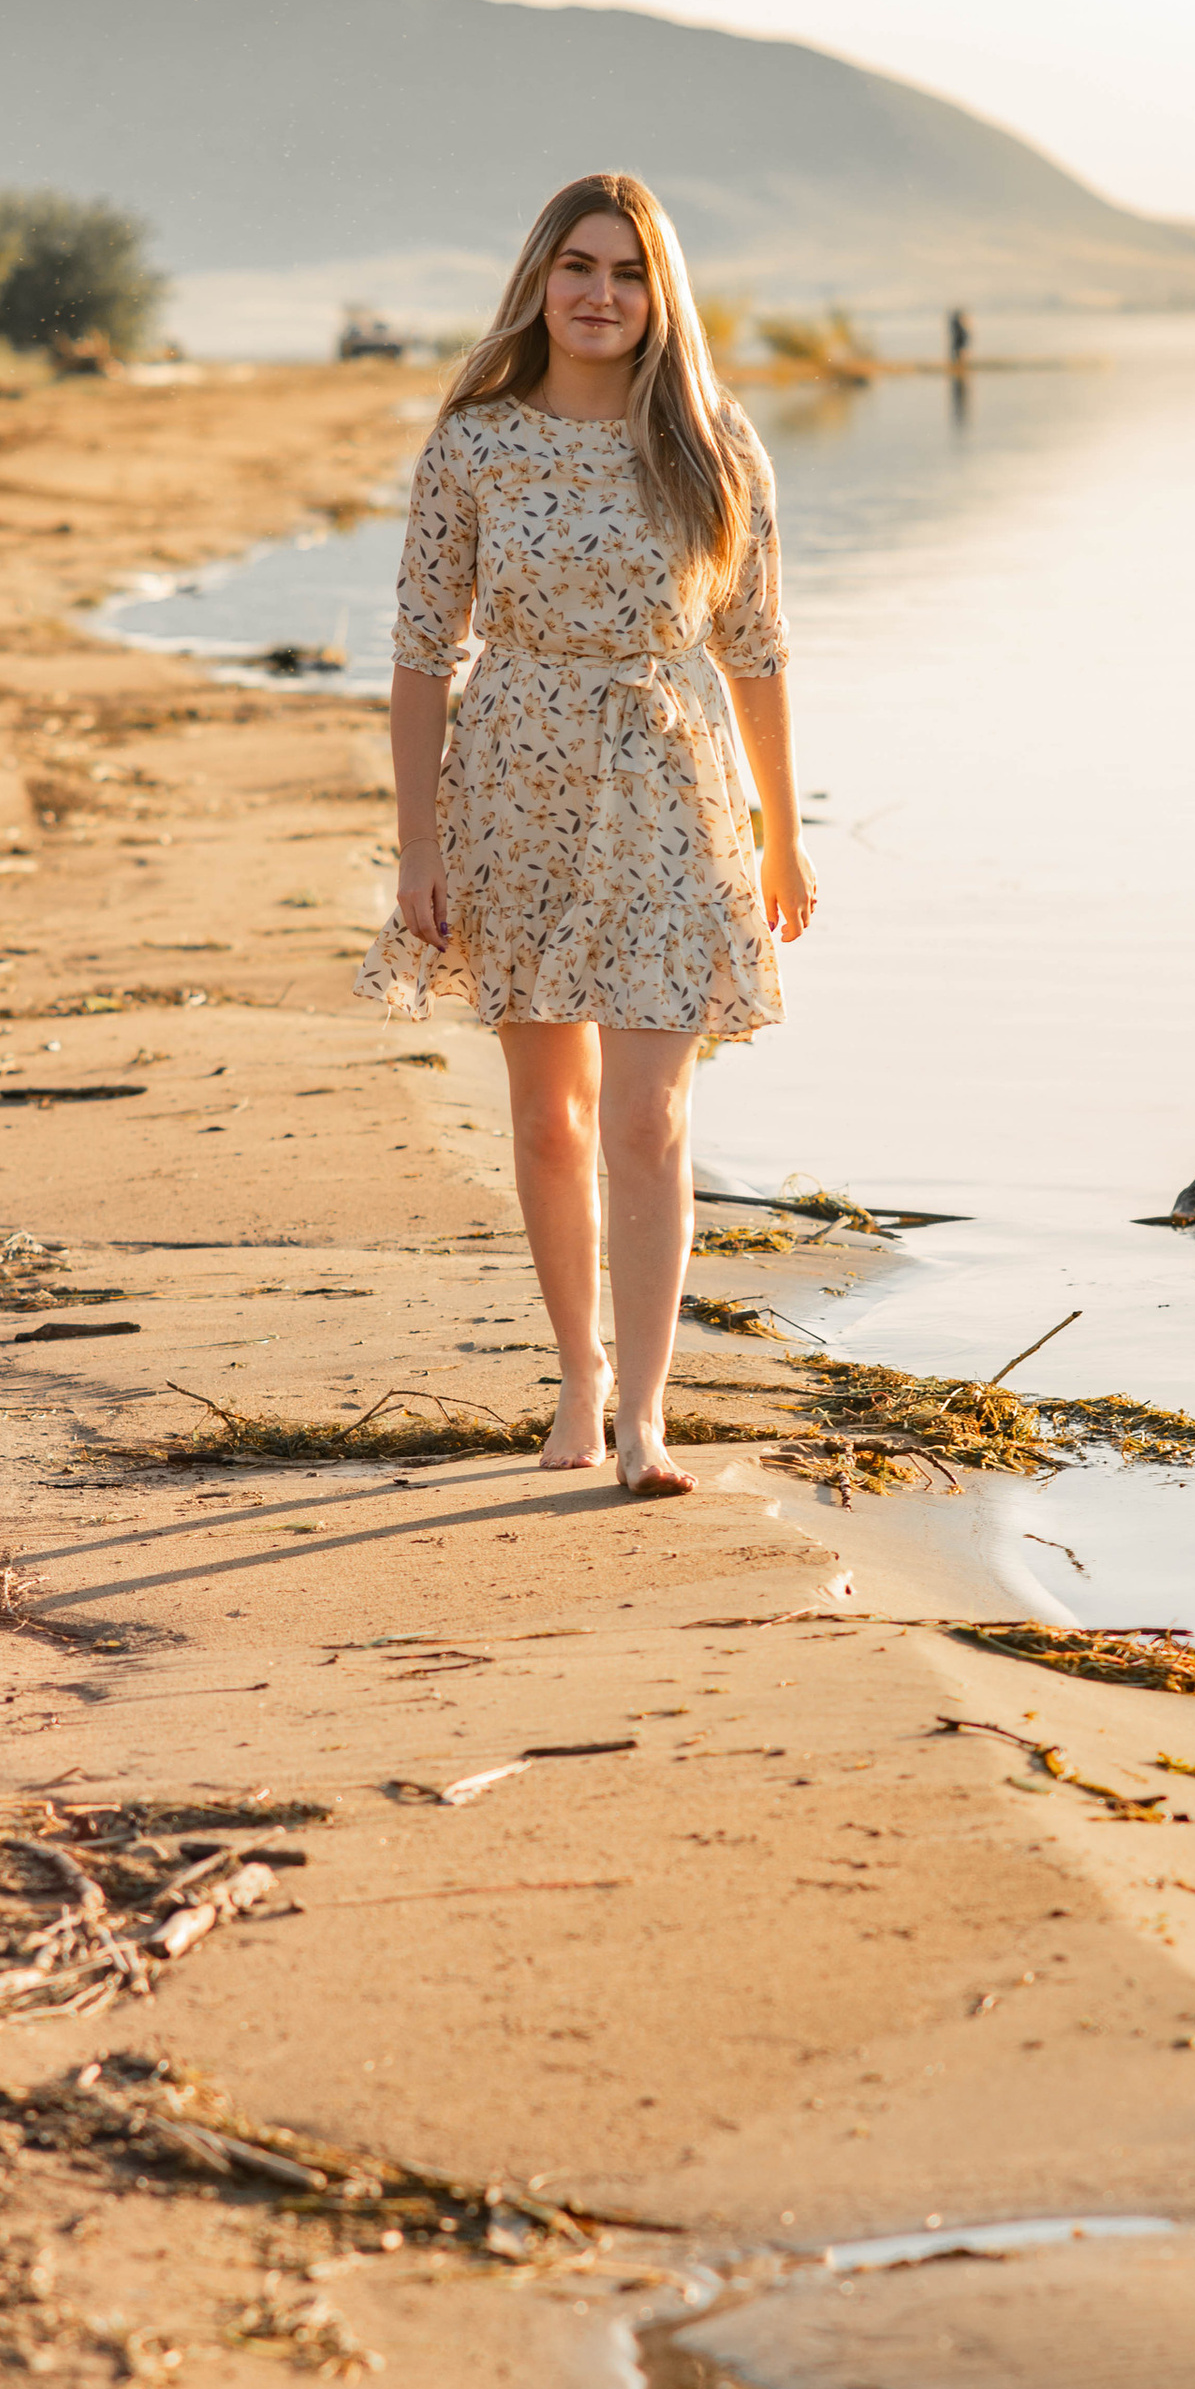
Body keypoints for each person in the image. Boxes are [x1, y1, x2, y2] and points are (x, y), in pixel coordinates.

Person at [355, 171, 816, 1498]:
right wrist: (419, 848)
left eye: (627, 272)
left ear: (659, 294)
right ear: (540, 285)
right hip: (515, 786)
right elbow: (418, 654)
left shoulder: (715, 447)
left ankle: (649, 1417)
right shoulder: (477, 444)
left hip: (671, 793)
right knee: (550, 1121)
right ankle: (579, 1379)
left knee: (648, 1120)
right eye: (578, 269)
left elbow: (759, 651)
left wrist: (781, 838)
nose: (601, 294)